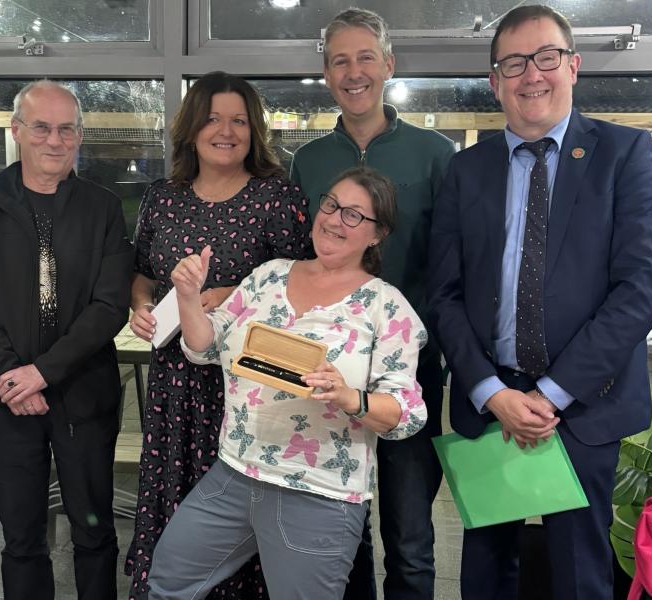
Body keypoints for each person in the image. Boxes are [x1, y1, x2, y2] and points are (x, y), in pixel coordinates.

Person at [428, 6, 652, 599]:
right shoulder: (465, 170)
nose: (531, 74)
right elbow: (445, 294)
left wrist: (551, 393)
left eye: (546, 57)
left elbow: (639, 291)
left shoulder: (624, 154)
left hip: (583, 407)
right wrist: (492, 392)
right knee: (485, 575)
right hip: (492, 407)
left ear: (573, 66)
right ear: (494, 80)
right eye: (513, 63)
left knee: (579, 578)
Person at [147, 167, 429, 599]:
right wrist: (188, 296)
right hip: (237, 471)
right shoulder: (269, 276)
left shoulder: (387, 308)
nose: (334, 219)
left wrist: (349, 397)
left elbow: (406, 415)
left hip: (317, 492)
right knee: (169, 578)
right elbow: (204, 346)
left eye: (354, 215)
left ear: (378, 234)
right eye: (331, 204)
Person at [125, 71, 312, 600]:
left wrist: (227, 295)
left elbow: (301, 288)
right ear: (191, 128)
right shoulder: (163, 196)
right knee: (173, 494)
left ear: (254, 130)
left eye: (238, 121)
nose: (225, 131)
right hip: (174, 383)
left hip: (242, 385)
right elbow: (141, 272)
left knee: (237, 513)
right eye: (212, 118)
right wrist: (140, 305)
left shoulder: (276, 196)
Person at [289, 8, 455, 599]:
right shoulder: (307, 161)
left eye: (365, 57)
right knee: (342, 531)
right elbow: (297, 260)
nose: (353, 72)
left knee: (410, 536)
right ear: (326, 73)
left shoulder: (436, 155)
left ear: (388, 64)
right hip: (328, 376)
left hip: (407, 376)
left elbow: (452, 265)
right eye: (339, 61)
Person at [0, 80, 133, 600]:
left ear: (78, 136)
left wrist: (44, 372)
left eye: (67, 129)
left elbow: (109, 305)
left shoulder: (102, 207)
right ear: (16, 131)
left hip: (82, 392)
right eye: (41, 127)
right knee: (21, 536)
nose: (55, 140)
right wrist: (14, 372)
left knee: (94, 531)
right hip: (5, 395)